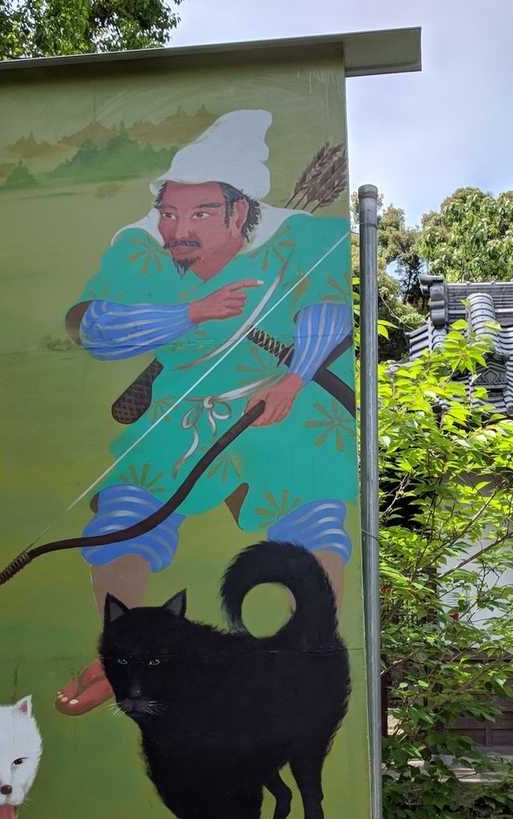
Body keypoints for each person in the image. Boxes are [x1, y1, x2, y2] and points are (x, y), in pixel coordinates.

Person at [56, 110, 354, 714]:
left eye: (199, 215)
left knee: (313, 502)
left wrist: (293, 380)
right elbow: (97, 328)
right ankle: (122, 656)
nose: (178, 229)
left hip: (279, 398)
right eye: (170, 212)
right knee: (128, 508)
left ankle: (308, 653)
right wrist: (190, 313)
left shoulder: (300, 239)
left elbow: (327, 313)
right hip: (181, 405)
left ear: (239, 213)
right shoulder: (142, 247)